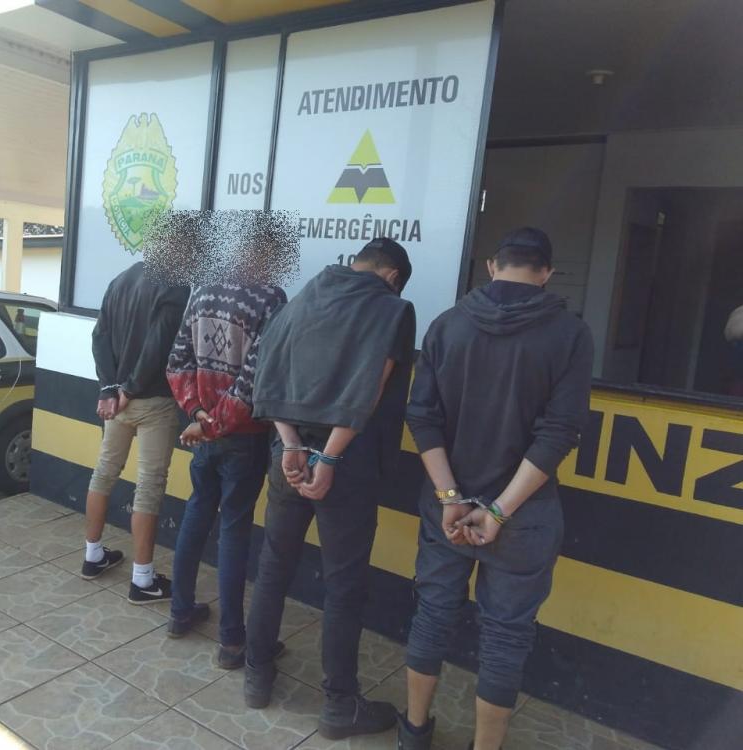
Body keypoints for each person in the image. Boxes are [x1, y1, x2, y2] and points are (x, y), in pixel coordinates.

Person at [401, 227, 593, 750]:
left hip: (446, 510)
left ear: (492, 265)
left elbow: (422, 417)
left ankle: (413, 733)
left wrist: (450, 498)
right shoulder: (570, 334)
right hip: (523, 516)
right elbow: (560, 433)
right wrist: (499, 511)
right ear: (546, 272)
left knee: (433, 613)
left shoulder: (447, 325)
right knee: (505, 638)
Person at [245, 237, 416, 741]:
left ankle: (256, 674)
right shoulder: (393, 309)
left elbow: (267, 375)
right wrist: (330, 456)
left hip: (289, 453)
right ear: (392, 276)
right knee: (343, 584)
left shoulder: (303, 298)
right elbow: (370, 387)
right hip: (346, 463)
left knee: (274, 564)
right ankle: (340, 704)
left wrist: (291, 444)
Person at [164, 247, 288, 668]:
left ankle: (180, 611)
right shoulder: (270, 298)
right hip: (243, 437)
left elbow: (176, 363)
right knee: (234, 530)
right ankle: (232, 642)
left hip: (204, 431)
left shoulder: (203, 290)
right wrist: (214, 423)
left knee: (197, 512)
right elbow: (254, 379)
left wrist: (199, 415)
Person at [82, 261, 189, 605]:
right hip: (151, 400)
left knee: (104, 472)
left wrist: (109, 389)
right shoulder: (174, 284)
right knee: (149, 485)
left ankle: (93, 556)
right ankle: (142, 580)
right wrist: (129, 388)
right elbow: (157, 345)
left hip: (116, 402)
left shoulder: (121, 279)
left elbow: (99, 337)